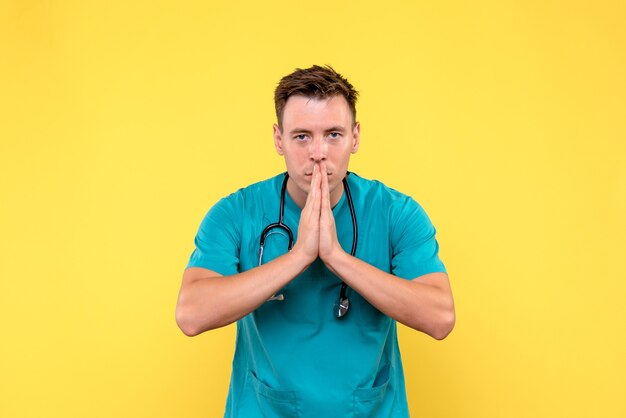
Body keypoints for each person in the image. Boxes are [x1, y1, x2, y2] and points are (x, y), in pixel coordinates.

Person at [175, 65, 455, 417]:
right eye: (302, 136)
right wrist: (299, 256)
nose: (319, 152)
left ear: (355, 136)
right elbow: (191, 313)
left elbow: (440, 317)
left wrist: (336, 257)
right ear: (279, 140)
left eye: (333, 134)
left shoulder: (396, 213)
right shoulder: (237, 212)